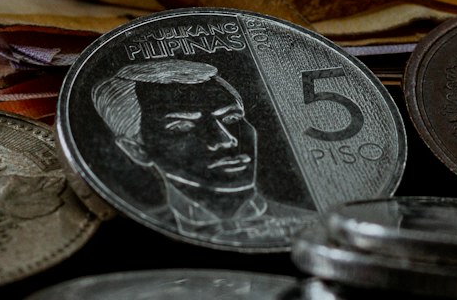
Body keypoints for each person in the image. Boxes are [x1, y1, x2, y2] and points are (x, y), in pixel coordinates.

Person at [91, 59, 313, 246]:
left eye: (232, 118)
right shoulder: (128, 245)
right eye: (181, 127)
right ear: (136, 149)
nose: (225, 140)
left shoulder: (317, 226)